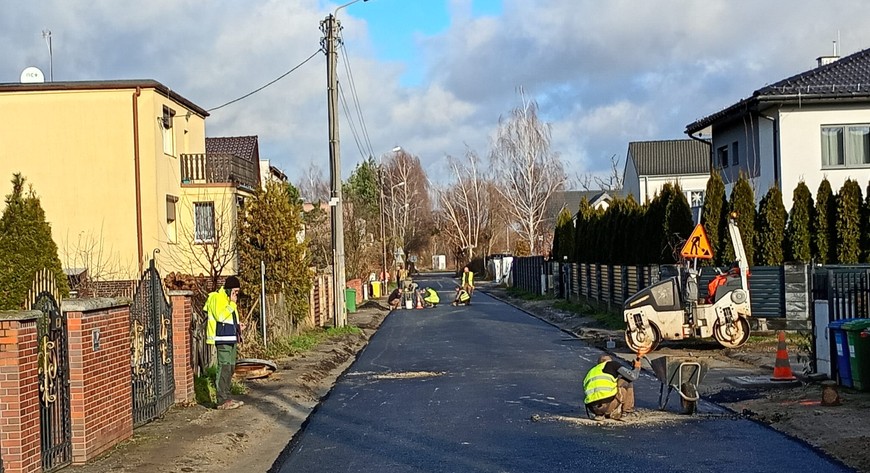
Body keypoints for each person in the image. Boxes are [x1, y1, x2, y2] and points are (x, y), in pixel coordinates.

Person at [204, 276, 245, 410]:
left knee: (231, 368)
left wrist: (238, 326)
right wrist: (232, 304)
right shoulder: (216, 298)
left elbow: (229, 319)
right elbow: (220, 316)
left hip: (231, 337)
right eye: (235, 291)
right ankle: (222, 400)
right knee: (224, 368)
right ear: (228, 289)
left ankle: (227, 397)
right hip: (222, 338)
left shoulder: (229, 301)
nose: (236, 295)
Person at [583, 351, 646, 420]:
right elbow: (632, 376)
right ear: (609, 361)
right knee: (627, 381)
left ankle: (600, 415)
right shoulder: (612, 364)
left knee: (612, 384)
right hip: (607, 405)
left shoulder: (591, 372)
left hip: (593, 408)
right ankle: (627, 413)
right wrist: (636, 368)